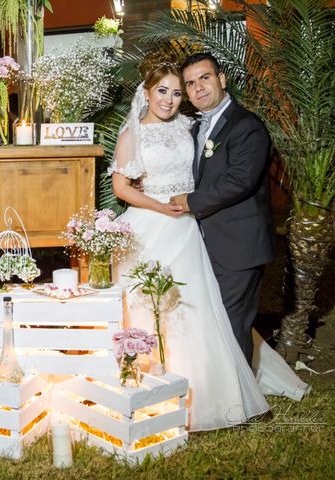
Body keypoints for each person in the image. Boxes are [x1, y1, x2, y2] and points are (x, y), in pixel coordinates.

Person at [110, 53, 309, 432]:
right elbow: (123, 186)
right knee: (148, 304)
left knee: (204, 309)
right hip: (162, 223)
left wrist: (185, 205)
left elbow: (229, 178)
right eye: (165, 91)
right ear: (147, 93)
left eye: (177, 91)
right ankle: (149, 379)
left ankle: (215, 391)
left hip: (192, 226)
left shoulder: (198, 126)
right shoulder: (135, 133)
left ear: (220, 79)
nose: (171, 99)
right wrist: (160, 205)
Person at [170, 53, 274, 366]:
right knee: (211, 323)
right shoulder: (194, 129)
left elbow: (240, 181)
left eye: (205, 78)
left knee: (231, 324)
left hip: (238, 245)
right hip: (204, 242)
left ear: (222, 79)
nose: (198, 88)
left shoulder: (247, 126)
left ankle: (239, 404)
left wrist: (190, 201)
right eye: (190, 83)